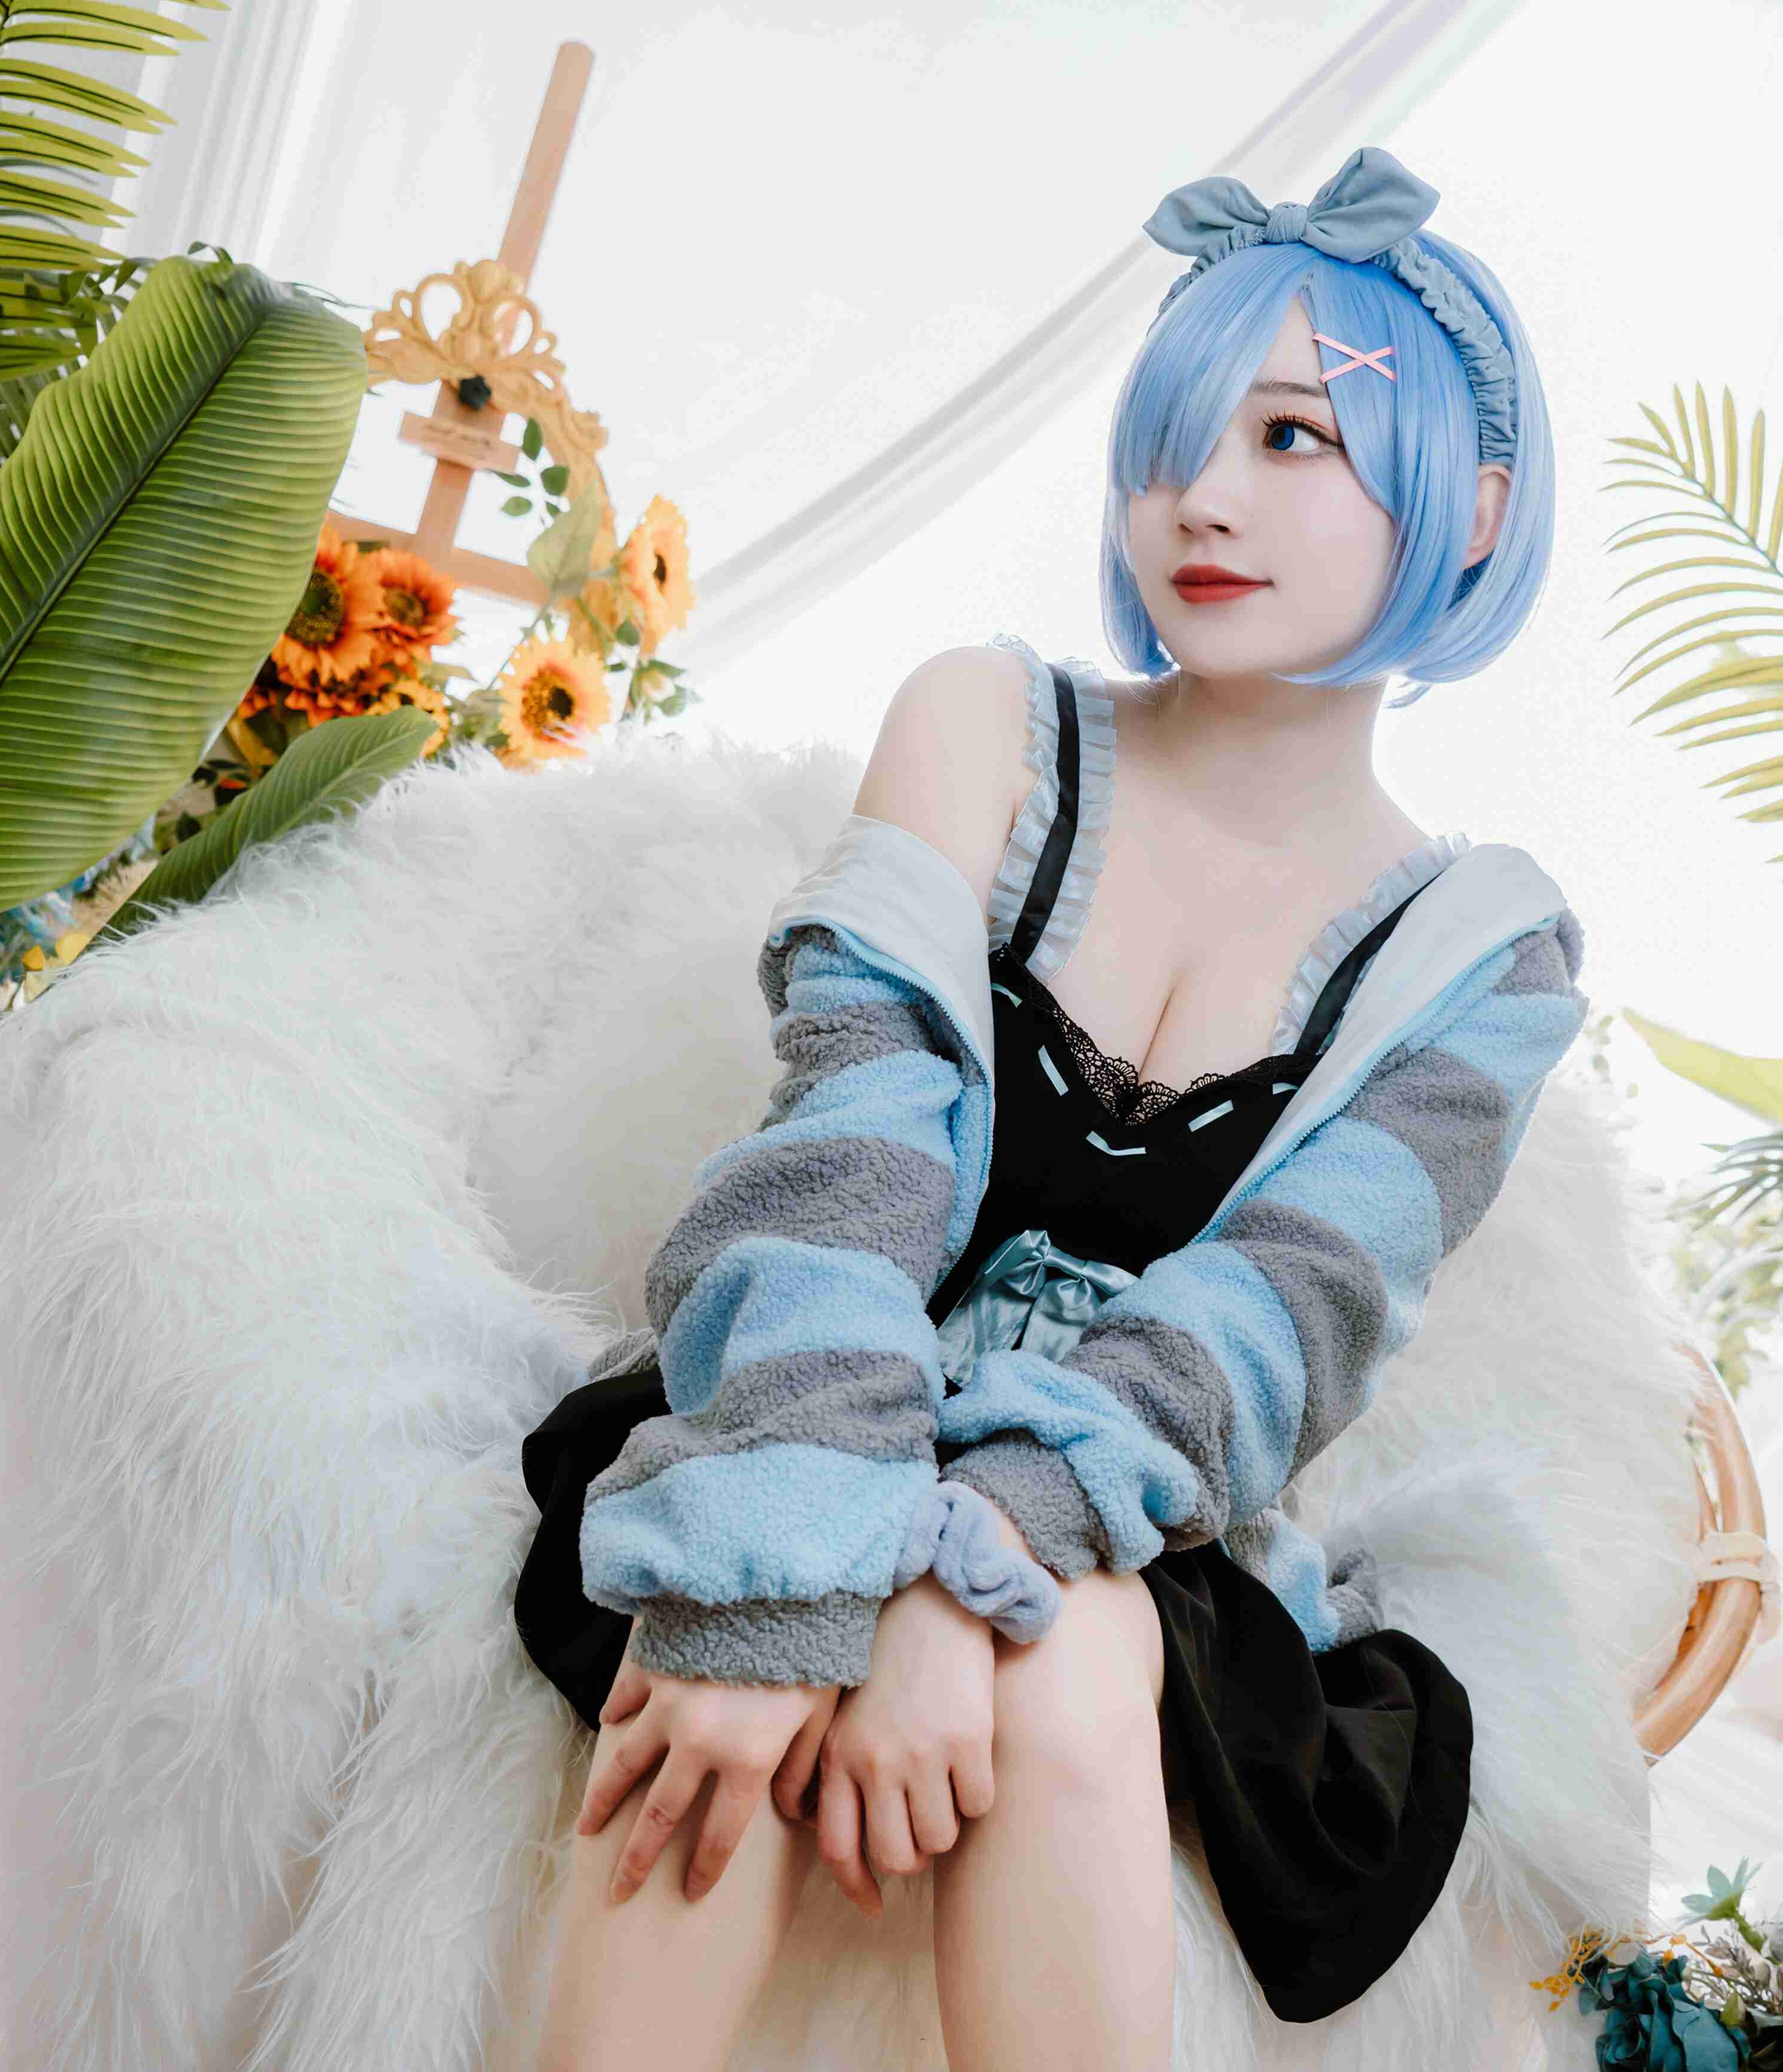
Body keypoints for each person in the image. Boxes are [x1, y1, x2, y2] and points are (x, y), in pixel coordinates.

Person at [509, 144, 1584, 2070]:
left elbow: (1277, 1322)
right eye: (1171, 439)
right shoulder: (987, 725)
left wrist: (969, 1568)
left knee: (1074, 1660)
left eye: (1291, 436)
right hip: (828, 1392)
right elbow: (843, 1154)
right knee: (726, 1602)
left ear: (1476, 504)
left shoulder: (1477, 958)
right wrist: (801, 1566)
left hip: (1142, 1503)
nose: (1200, 498)